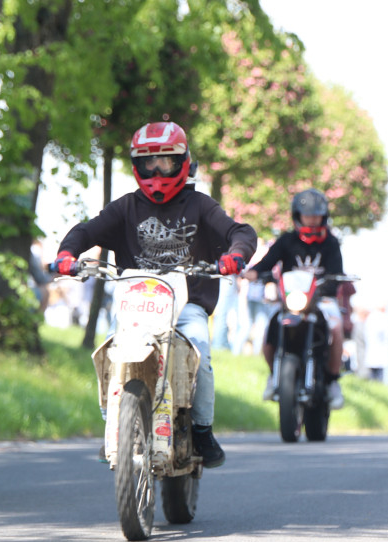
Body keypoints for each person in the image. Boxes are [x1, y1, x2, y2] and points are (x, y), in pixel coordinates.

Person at [53, 121, 257, 469]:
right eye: (149, 162)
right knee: (108, 352)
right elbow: (87, 231)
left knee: (201, 354)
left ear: (183, 162)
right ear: (136, 165)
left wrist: (235, 254)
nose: (157, 170)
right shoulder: (125, 208)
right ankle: (114, 423)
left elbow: (241, 231)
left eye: (166, 161)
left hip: (187, 306)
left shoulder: (200, 206)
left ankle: (202, 429)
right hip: (135, 308)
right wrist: (67, 255)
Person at [244, 188, 348, 409]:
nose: (312, 220)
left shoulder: (331, 243)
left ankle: (332, 382)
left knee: (337, 328)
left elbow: (336, 273)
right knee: (269, 329)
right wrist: (254, 272)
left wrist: (329, 284)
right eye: (307, 215)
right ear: (297, 216)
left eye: (316, 215)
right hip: (290, 302)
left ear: (324, 216)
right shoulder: (287, 240)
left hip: (322, 300)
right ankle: (275, 375)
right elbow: (267, 262)